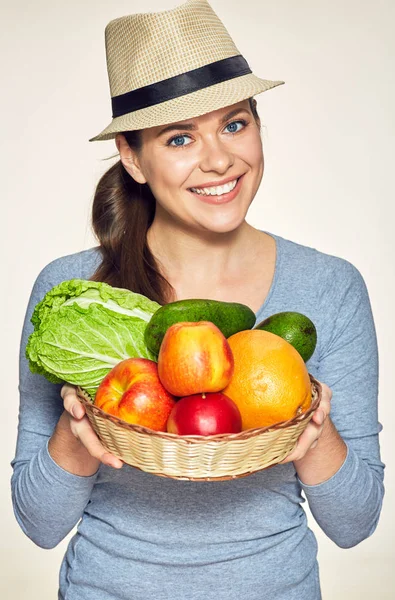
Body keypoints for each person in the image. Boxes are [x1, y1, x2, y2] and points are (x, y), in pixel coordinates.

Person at [11, 1, 385, 599]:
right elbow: (39, 522)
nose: (219, 160)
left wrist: (314, 430)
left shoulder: (330, 287)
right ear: (132, 158)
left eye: (235, 124)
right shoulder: (76, 297)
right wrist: (78, 429)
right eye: (180, 137)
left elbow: (356, 523)